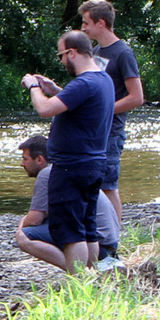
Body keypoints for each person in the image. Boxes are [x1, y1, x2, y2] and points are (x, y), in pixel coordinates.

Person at [22, 30, 115, 270]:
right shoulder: (103, 80)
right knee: (87, 229)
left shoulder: (84, 82)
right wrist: (55, 89)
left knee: (72, 232)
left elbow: (44, 109)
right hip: (93, 165)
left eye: (62, 56)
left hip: (70, 167)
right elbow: (80, 104)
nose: (62, 61)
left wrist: (34, 87)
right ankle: (91, 280)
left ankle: (78, 285)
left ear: (72, 53)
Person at [78, 0, 144, 270]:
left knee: (109, 185)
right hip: (94, 130)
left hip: (111, 131)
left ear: (100, 23)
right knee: (93, 183)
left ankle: (113, 245)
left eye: (85, 23)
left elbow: (137, 97)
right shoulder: (94, 52)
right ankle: (98, 239)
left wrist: (104, 111)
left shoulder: (123, 53)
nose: (82, 28)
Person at [15, 134, 117, 272]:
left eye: (25, 159)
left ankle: (78, 272)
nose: (22, 164)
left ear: (39, 159)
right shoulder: (68, 168)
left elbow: (34, 220)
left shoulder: (47, 173)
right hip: (107, 242)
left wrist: (21, 225)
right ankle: (85, 270)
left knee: (23, 237)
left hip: (95, 243)